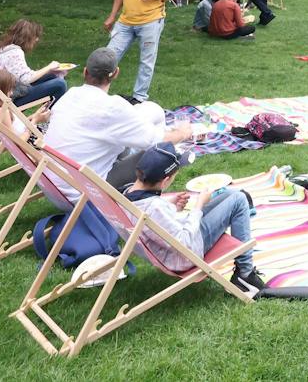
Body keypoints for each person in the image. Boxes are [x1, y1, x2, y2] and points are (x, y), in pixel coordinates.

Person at [42, 48, 195, 199]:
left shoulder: (71, 94)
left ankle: (162, 152)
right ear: (116, 73)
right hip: (84, 193)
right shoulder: (112, 107)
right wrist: (183, 133)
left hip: (52, 186)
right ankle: (175, 158)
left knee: (151, 110)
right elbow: (155, 141)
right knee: (156, 151)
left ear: (85, 72)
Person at [124, 143, 264, 292]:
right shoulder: (154, 208)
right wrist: (199, 205)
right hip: (184, 255)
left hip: (170, 246)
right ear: (165, 181)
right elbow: (185, 243)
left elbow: (155, 222)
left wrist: (171, 206)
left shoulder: (127, 195)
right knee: (239, 200)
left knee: (230, 194)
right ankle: (245, 273)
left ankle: (244, 272)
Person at [0, 18, 70, 107]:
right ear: (28, 37)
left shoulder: (5, 49)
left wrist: (50, 71)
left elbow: (22, 75)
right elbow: (26, 79)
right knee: (60, 84)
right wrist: (49, 67)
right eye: (35, 36)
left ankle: (45, 114)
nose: (37, 40)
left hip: (0, 95)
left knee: (53, 76)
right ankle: (49, 117)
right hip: (6, 101)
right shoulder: (15, 52)